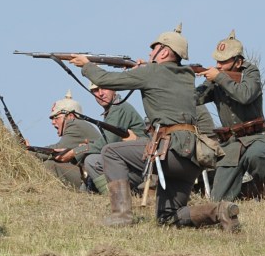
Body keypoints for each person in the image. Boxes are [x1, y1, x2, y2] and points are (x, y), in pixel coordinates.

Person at [69, 25, 240, 231]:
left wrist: (86, 65)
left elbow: (104, 80)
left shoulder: (151, 72)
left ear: (165, 51)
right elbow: (161, 81)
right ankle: (220, 212)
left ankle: (121, 216)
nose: (150, 53)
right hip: (193, 157)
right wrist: (142, 71)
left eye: (154, 49)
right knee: (167, 218)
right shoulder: (186, 74)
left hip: (169, 151)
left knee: (111, 152)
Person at [195, 30, 265, 201]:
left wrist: (219, 78)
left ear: (238, 62)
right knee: (218, 200)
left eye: (223, 61)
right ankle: (248, 191)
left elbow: (245, 95)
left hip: (258, 137)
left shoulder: (251, 73)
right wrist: (184, 79)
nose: (218, 65)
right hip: (230, 143)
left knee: (257, 155)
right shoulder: (216, 78)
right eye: (217, 60)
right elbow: (194, 99)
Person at [77, 82, 147, 195]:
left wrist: (76, 152)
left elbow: (107, 143)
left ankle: (114, 198)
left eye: (104, 88)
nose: (100, 93)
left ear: (114, 89)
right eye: (95, 90)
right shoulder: (113, 109)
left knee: (92, 161)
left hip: (141, 168)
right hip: (132, 164)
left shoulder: (119, 108)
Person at [35, 90, 100, 189]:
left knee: (49, 165)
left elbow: (57, 150)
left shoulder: (75, 124)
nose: (53, 122)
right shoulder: (80, 127)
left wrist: (26, 152)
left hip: (95, 177)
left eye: (56, 117)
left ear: (70, 116)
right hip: (93, 174)